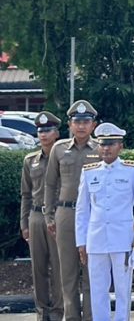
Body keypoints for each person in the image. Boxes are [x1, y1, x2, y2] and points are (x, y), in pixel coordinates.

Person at [75, 122, 134, 321]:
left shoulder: (132, 171)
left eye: (111, 144)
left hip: (122, 239)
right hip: (96, 239)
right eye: (102, 144)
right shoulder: (89, 172)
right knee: (97, 289)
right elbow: (82, 210)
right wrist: (81, 241)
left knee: (123, 289)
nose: (106, 148)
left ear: (120, 146)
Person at [45, 100, 101, 321]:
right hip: (66, 214)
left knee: (91, 270)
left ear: (93, 125)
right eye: (77, 122)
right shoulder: (59, 149)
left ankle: (90, 317)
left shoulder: (101, 148)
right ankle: (71, 317)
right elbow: (50, 184)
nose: (81, 126)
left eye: (86, 122)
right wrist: (49, 215)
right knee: (67, 271)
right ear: (70, 124)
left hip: (93, 215)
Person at [21, 111, 64, 321]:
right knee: (38, 268)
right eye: (40, 131)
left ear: (57, 133)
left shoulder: (64, 158)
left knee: (59, 267)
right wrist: (24, 223)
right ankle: (42, 312)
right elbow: (26, 194)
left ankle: (57, 312)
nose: (43, 134)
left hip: (58, 215)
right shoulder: (30, 160)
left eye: (48, 130)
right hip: (36, 217)